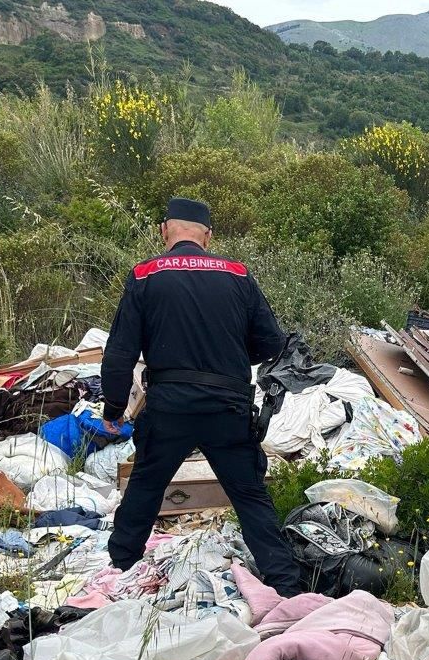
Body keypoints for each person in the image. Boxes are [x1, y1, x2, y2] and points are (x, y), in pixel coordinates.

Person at [100, 196, 302, 595]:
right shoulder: (238, 274)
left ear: (164, 231)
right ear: (208, 235)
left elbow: (120, 350)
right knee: (249, 495)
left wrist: (113, 405)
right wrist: (229, 357)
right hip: (227, 405)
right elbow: (272, 342)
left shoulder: (144, 275)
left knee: (146, 485)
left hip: (170, 404)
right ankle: (287, 585)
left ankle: (121, 572)